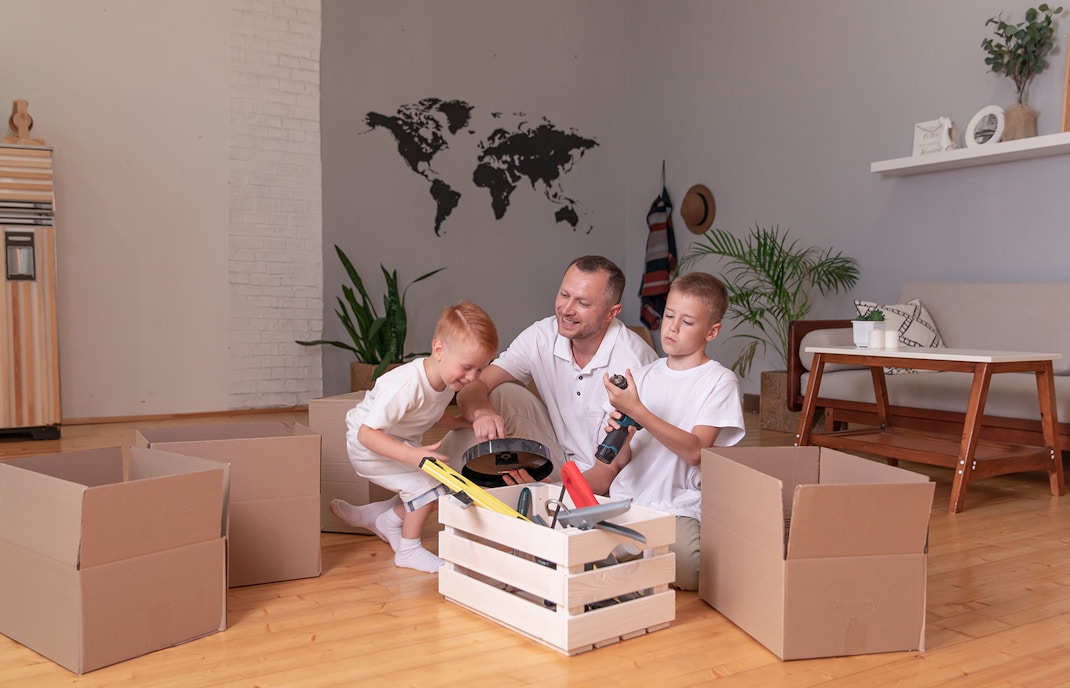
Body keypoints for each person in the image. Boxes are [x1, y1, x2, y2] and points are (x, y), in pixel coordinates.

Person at [334, 255, 657, 541]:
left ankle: (401, 509)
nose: (567, 310)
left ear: (612, 312)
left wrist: (546, 491)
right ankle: (405, 502)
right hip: (556, 453)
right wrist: (482, 413)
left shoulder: (633, 361)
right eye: (563, 295)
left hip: (599, 482)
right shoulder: (543, 334)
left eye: (583, 303)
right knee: (500, 394)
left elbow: (607, 473)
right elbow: (476, 385)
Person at [587, 271, 745, 591]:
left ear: (711, 331)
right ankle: (636, 559)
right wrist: (624, 437)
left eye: (687, 322)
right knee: (572, 538)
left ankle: (629, 559)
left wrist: (638, 411)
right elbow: (622, 461)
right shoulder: (642, 377)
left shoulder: (719, 381)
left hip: (677, 508)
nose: (671, 327)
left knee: (691, 571)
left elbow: (695, 451)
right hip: (628, 502)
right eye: (669, 315)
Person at [329, 301, 498, 574]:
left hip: (396, 442)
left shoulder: (445, 380)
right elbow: (366, 434)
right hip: (369, 446)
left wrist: (458, 422)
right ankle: (408, 550)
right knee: (428, 489)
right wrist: (413, 455)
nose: (472, 377)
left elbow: (428, 411)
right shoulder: (404, 385)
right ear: (439, 349)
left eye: (480, 370)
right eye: (467, 367)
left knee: (438, 485)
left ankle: (382, 518)